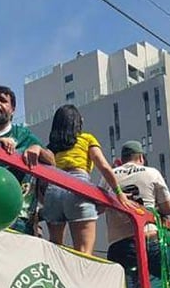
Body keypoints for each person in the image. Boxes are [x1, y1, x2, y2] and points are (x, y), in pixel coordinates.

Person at [43, 104, 131, 254]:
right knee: (84, 252)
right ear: (78, 123)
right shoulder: (86, 139)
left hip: (53, 190)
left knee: (55, 250)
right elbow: (103, 166)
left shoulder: (51, 147)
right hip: (78, 187)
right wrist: (118, 192)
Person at [0, 85, 55, 234]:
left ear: (12, 109)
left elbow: (52, 161)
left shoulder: (22, 134)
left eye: (3, 100)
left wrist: (38, 149)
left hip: (16, 219)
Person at [105, 140, 170, 288]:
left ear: (122, 159)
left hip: (120, 244)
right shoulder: (151, 173)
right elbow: (168, 208)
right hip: (148, 239)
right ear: (141, 157)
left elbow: (97, 207)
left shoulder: (110, 175)